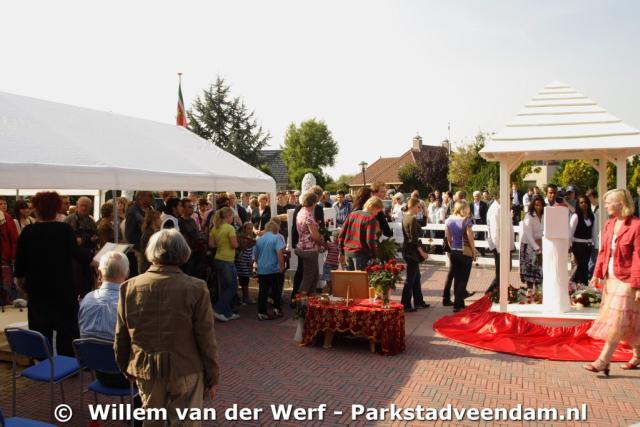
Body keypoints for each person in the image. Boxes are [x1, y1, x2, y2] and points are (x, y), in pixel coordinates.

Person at [115, 230, 219, 425]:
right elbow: (206, 337)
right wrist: (212, 375)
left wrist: (125, 366)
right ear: (183, 252)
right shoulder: (196, 287)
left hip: (147, 368)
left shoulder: (129, 287)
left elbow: (121, 335)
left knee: (152, 421)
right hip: (186, 367)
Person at [15, 192, 93, 356]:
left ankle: (44, 365)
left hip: (38, 291)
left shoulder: (28, 232)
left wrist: (21, 281)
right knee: (67, 334)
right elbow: (78, 254)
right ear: (56, 208)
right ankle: (66, 365)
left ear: (36, 209)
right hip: (63, 290)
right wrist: (97, 260)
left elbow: (20, 263)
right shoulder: (64, 230)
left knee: (41, 335)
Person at [584, 189, 640, 375]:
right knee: (630, 321)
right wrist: (596, 274)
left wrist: (638, 285)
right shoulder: (609, 224)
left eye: (609, 202)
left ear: (620, 204)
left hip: (628, 280)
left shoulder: (636, 226)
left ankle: (603, 361)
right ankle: (638, 354)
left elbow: (638, 257)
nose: (606, 205)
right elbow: (603, 252)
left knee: (616, 321)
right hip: (611, 278)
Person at [209, 207, 240, 322]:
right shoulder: (230, 228)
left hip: (218, 259)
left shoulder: (214, 228)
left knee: (224, 287)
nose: (233, 219)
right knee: (232, 287)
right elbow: (234, 245)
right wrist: (238, 244)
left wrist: (221, 244)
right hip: (227, 260)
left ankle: (227, 313)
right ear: (228, 216)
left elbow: (211, 245)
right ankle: (218, 309)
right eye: (232, 217)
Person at [445, 200, 476, 312]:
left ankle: (459, 303)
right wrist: (474, 251)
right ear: (463, 209)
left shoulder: (449, 220)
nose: (469, 210)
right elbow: (470, 238)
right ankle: (457, 304)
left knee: (457, 278)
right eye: (467, 208)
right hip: (465, 252)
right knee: (463, 279)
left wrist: (453, 248)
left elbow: (448, 238)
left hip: (454, 251)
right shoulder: (466, 221)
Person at [65, 196, 99, 298]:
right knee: (75, 285)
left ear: (90, 207)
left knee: (87, 286)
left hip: (88, 258)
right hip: (73, 260)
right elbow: (67, 241)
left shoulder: (91, 221)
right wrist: (84, 239)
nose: (84, 208)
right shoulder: (69, 220)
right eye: (82, 206)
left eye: (87, 206)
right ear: (77, 206)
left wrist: (95, 239)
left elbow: (96, 236)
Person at [401, 198, 429, 312]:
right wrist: (422, 252)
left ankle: (419, 301)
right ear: (412, 206)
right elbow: (414, 239)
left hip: (408, 251)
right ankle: (405, 304)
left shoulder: (407, 217)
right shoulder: (411, 219)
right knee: (411, 279)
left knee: (416, 278)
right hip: (411, 252)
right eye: (418, 207)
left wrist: (425, 212)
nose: (420, 209)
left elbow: (423, 223)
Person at [338, 197, 382, 271]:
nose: (377, 214)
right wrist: (374, 255)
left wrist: (341, 251)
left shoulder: (352, 214)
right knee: (360, 277)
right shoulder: (370, 219)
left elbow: (341, 234)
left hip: (347, 252)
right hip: (361, 254)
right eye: (377, 211)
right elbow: (369, 241)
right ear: (373, 207)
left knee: (349, 277)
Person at [294, 193, 326, 295]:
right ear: (314, 203)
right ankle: (301, 300)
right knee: (308, 278)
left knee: (314, 276)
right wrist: (325, 244)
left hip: (303, 246)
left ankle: (310, 299)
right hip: (309, 250)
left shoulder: (301, 212)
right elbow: (314, 236)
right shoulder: (308, 216)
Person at [255, 220, 286, 320]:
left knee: (262, 291)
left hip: (262, 269)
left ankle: (262, 312)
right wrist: (281, 267)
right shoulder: (277, 238)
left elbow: (256, 255)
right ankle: (277, 309)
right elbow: (279, 253)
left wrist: (259, 264)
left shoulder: (259, 239)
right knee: (276, 290)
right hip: (273, 268)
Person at [485, 194, 514, 295]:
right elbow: (494, 232)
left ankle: (494, 291)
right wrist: (500, 249)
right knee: (501, 271)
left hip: (504, 245)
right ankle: (493, 292)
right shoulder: (495, 210)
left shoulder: (502, 208)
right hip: (499, 246)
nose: (510, 201)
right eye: (509, 199)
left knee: (505, 269)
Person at [570, 195, 598, 285]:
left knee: (585, 267)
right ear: (578, 204)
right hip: (578, 245)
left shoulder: (592, 216)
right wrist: (569, 247)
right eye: (581, 202)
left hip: (588, 246)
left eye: (585, 202)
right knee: (580, 267)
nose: (584, 204)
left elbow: (594, 232)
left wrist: (596, 246)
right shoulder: (575, 216)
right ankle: (577, 285)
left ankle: (583, 286)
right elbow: (570, 233)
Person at [125, 191, 153, 275]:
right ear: (141, 197)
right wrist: (141, 247)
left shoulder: (150, 209)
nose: (152, 198)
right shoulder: (132, 211)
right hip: (139, 250)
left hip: (149, 248)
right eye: (150, 196)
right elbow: (129, 235)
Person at [179, 198, 207, 279]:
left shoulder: (192, 220)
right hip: (188, 254)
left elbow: (197, 233)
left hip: (197, 253)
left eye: (192, 207)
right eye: (189, 207)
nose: (192, 209)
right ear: (183, 209)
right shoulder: (179, 222)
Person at [520, 195, 545, 288]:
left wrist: (542, 241)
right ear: (533, 205)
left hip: (541, 244)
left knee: (539, 273)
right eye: (536, 205)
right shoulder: (528, 216)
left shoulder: (545, 215)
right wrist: (537, 248)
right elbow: (529, 235)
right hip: (529, 246)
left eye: (540, 205)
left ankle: (539, 293)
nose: (538, 207)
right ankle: (530, 292)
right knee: (529, 274)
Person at [235, 222, 256, 305]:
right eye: (248, 228)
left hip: (247, 262)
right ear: (244, 229)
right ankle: (245, 298)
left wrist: (252, 260)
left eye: (251, 228)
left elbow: (253, 251)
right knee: (243, 280)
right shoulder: (241, 238)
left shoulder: (252, 238)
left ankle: (245, 298)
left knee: (245, 280)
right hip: (241, 262)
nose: (250, 230)